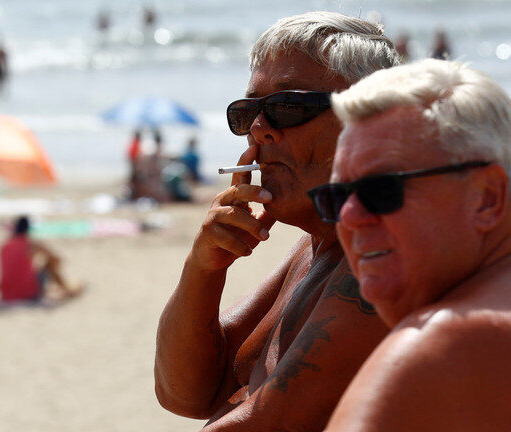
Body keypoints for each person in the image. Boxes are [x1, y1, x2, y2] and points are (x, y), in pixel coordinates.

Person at [154, 12, 399, 431]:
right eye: (249, 111)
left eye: (287, 107)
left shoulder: (384, 251)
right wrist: (204, 268)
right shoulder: (318, 244)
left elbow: (267, 423)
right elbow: (187, 392)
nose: (259, 131)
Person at [307, 59, 511, 430]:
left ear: (487, 198)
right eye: (335, 198)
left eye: (381, 190)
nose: (350, 216)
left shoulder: (439, 346)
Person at [0, 216, 82, 302]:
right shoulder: (30, 243)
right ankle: (67, 289)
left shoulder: (4, 246)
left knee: (34, 269)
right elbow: (56, 259)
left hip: (6, 293)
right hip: (26, 293)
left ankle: (60, 287)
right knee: (49, 264)